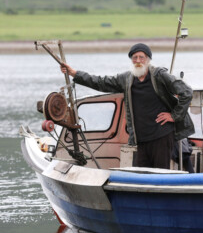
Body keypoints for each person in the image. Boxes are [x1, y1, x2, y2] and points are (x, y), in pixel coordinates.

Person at [60, 43, 194, 169]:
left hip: (162, 136)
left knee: (160, 175)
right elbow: (101, 82)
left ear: (148, 59)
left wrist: (174, 116)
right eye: (134, 57)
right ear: (131, 60)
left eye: (141, 57)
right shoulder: (126, 79)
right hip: (141, 139)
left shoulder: (159, 75)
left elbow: (186, 92)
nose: (138, 60)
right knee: (142, 177)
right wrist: (75, 74)